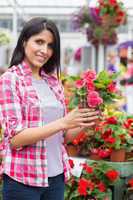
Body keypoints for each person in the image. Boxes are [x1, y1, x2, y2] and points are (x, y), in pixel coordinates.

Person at [0, 17, 99, 200]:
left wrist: (85, 120)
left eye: (51, 45)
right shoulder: (10, 79)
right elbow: (15, 139)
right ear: (24, 42)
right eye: (39, 42)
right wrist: (63, 122)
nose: (44, 50)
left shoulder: (53, 82)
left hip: (55, 178)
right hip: (23, 181)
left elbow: (62, 137)